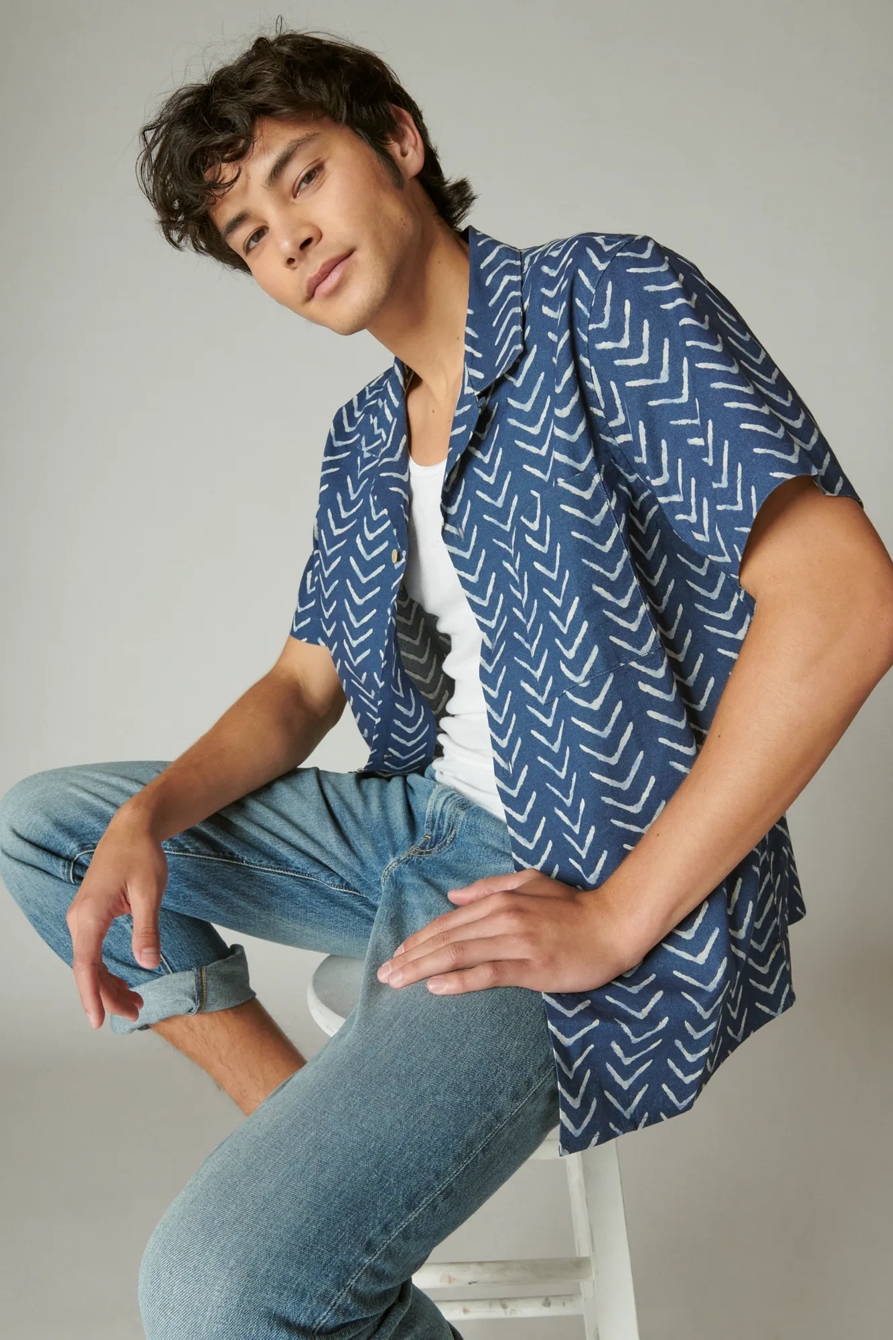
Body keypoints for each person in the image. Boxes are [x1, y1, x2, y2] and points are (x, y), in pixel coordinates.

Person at [2, 24, 892, 1340]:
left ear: (399, 142)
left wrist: (616, 918)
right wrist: (149, 815)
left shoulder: (602, 300)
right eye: (249, 234)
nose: (288, 240)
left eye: (303, 177)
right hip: (419, 825)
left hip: (571, 862)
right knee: (49, 829)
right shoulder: (364, 441)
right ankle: (315, 1157)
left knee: (211, 1289)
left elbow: (847, 600)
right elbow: (301, 689)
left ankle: (307, 1235)